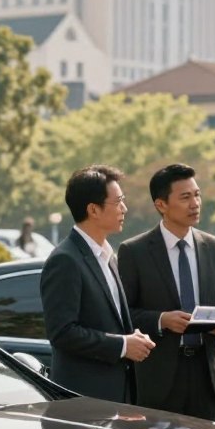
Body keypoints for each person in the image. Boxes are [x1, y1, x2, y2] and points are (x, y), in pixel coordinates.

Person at [117, 163, 215, 420]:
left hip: (207, 377)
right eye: (185, 197)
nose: (195, 203)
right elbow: (123, 314)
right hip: (158, 378)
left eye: (197, 195)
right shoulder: (134, 251)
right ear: (161, 204)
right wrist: (162, 320)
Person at [40, 165, 154, 402]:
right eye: (118, 201)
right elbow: (62, 333)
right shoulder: (65, 259)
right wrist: (122, 345)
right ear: (93, 209)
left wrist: (132, 337)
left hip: (115, 395)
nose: (125, 208)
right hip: (84, 400)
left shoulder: (107, 256)